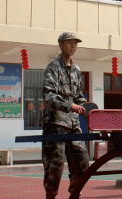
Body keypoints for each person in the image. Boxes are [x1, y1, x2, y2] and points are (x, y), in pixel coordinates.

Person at [42, 32, 90, 199]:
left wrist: (85, 107)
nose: (73, 46)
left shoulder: (76, 70)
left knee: (82, 160)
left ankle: (75, 193)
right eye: (70, 43)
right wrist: (70, 106)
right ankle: (51, 195)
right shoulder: (53, 68)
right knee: (55, 166)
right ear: (61, 45)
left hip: (73, 124)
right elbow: (49, 97)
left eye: (75, 43)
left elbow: (78, 96)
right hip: (55, 124)